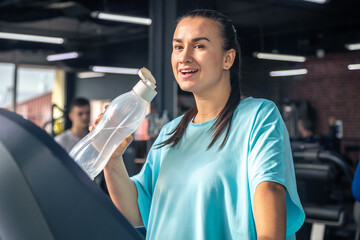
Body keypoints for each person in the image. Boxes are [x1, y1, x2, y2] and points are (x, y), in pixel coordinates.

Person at [99, 9, 305, 239]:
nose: (184, 57)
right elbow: (136, 212)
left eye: (199, 46)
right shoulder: (171, 133)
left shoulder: (258, 117)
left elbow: (270, 193)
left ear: (228, 58)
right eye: (178, 47)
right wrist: (112, 158)